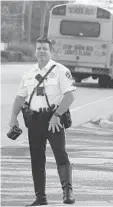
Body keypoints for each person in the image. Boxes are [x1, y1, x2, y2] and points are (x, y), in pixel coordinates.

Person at [9, 37, 76, 206]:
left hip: (54, 118)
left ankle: (67, 192)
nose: (41, 51)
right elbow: (20, 97)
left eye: (45, 48)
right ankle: (40, 198)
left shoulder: (60, 70)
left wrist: (57, 115)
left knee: (60, 154)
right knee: (37, 159)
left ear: (50, 51)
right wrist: (13, 118)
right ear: (35, 51)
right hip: (35, 120)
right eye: (39, 48)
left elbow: (70, 96)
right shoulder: (29, 74)